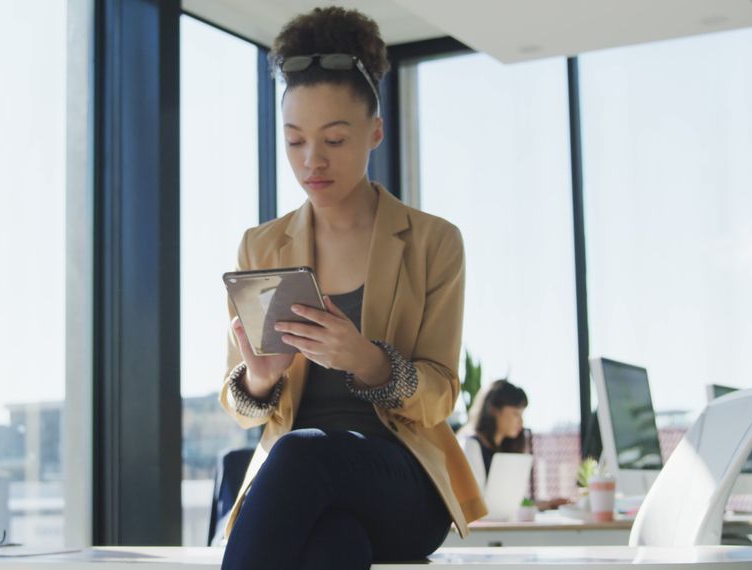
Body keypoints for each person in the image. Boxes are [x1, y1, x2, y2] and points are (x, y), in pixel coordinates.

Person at [217, 7, 485, 569]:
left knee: (302, 456)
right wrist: (260, 382)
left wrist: (367, 361)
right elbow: (240, 406)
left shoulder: (434, 242)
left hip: (402, 481)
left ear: (375, 132)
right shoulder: (260, 247)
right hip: (303, 494)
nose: (311, 161)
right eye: (294, 142)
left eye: (334, 139)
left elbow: (440, 394)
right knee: (334, 548)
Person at [458, 379, 570, 511]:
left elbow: (510, 504)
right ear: (494, 410)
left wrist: (548, 504)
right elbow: (476, 508)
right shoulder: (471, 445)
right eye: (516, 414)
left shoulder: (504, 449)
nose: (521, 422)